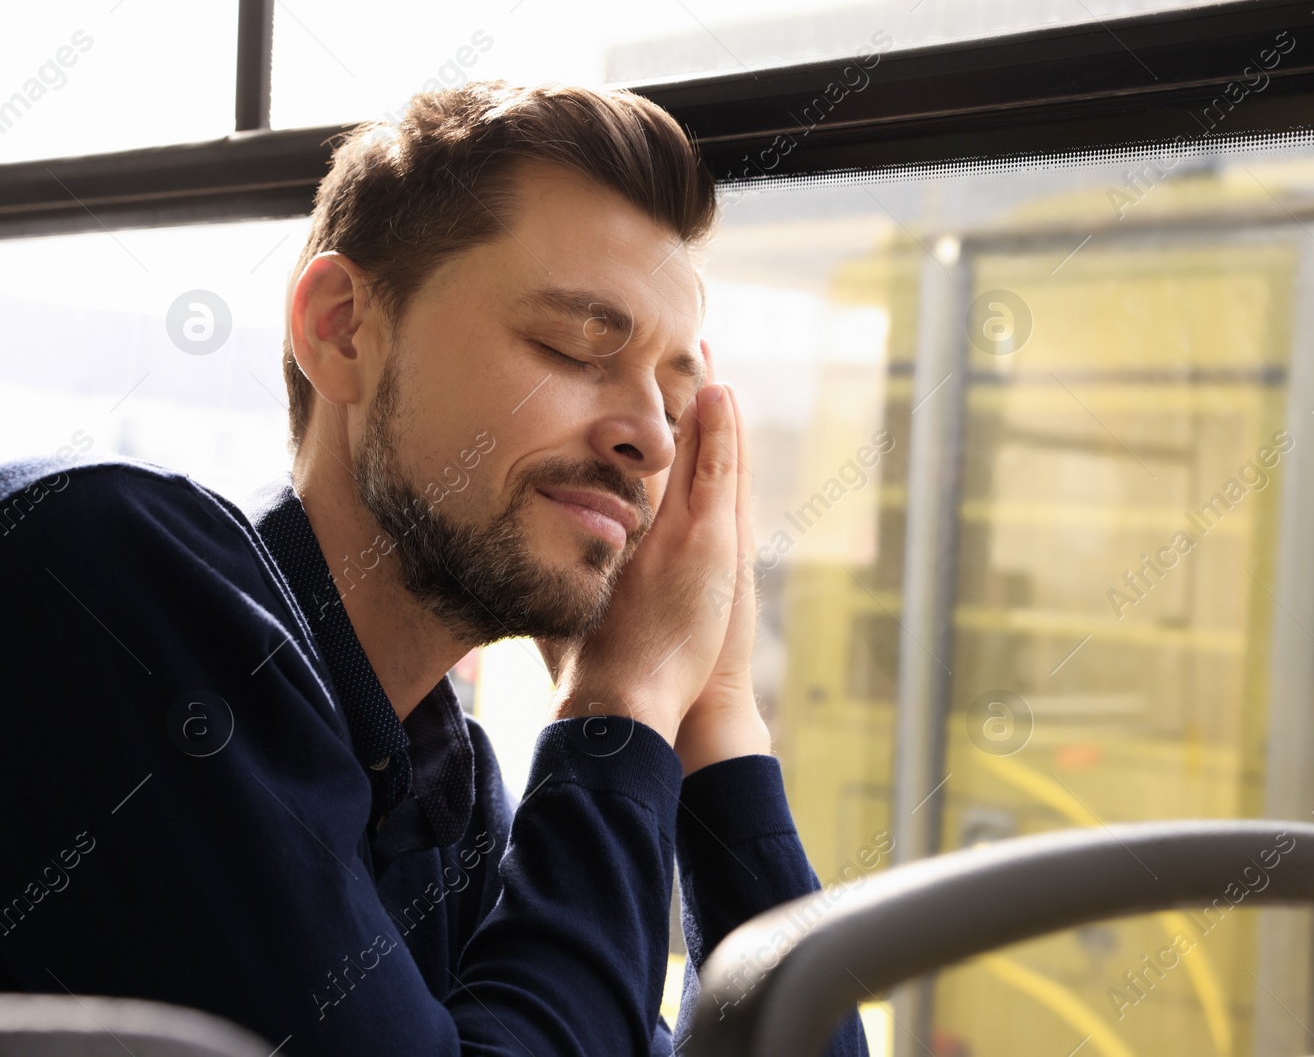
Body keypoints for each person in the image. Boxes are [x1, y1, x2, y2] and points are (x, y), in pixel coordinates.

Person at [0, 80, 868, 1056]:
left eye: (675, 403)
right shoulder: (98, 570)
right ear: (341, 329)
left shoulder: (443, 803)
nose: (650, 442)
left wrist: (713, 716)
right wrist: (621, 709)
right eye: (573, 344)